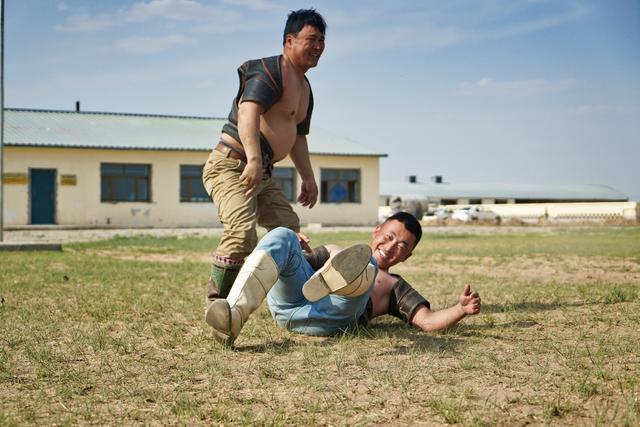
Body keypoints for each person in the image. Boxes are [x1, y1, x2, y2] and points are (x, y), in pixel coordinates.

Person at [201, 9, 327, 308]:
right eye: (311, 39)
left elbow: (298, 136)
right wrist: (255, 159)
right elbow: (248, 111)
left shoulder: (306, 89)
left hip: (262, 172)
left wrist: (307, 176)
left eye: (322, 40)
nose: (318, 46)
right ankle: (218, 305)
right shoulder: (270, 70)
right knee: (241, 232)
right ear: (289, 40)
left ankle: (298, 297)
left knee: (289, 231)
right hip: (231, 166)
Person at [206, 212, 482, 345]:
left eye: (402, 246)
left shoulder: (395, 286)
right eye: (389, 237)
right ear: (376, 231)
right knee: (283, 235)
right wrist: (294, 250)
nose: (392, 246)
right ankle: (233, 316)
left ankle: (349, 283)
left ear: (407, 257)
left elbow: (428, 321)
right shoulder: (335, 252)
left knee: (368, 265)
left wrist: (461, 310)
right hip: (289, 305)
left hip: (328, 319)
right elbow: (294, 267)